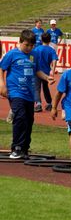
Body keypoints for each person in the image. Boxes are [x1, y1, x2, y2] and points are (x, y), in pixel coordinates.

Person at [0, 30, 54, 159]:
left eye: (31, 45)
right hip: (15, 91)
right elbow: (1, 68)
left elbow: (37, 71)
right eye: (26, 45)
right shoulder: (12, 54)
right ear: (20, 42)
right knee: (20, 117)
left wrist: (47, 78)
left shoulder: (34, 55)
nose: (29, 48)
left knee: (29, 120)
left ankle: (24, 148)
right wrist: (2, 84)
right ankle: (16, 147)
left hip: (29, 93)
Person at [33, 32, 58, 112]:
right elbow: (54, 61)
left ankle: (38, 104)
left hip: (37, 71)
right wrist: (53, 72)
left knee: (36, 88)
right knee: (45, 87)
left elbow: (32, 59)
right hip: (46, 72)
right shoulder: (51, 50)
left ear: (41, 39)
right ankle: (49, 103)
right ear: (50, 40)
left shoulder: (37, 49)